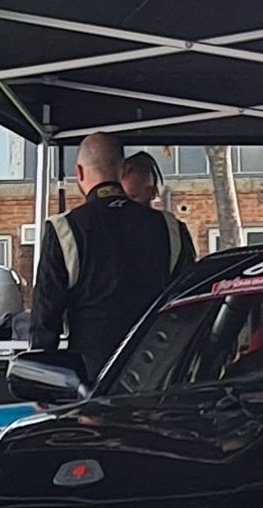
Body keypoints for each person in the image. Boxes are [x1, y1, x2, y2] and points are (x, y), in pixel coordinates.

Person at [28, 130, 182, 379]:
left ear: (79, 172)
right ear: (122, 172)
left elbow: (46, 315)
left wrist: (38, 376)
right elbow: (189, 302)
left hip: (90, 379)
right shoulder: (170, 228)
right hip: (160, 375)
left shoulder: (65, 230)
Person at [118, 146, 199, 281]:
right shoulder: (103, 228)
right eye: (122, 198)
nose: (126, 205)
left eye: (133, 197)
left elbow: (187, 276)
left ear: (153, 193)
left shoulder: (173, 230)